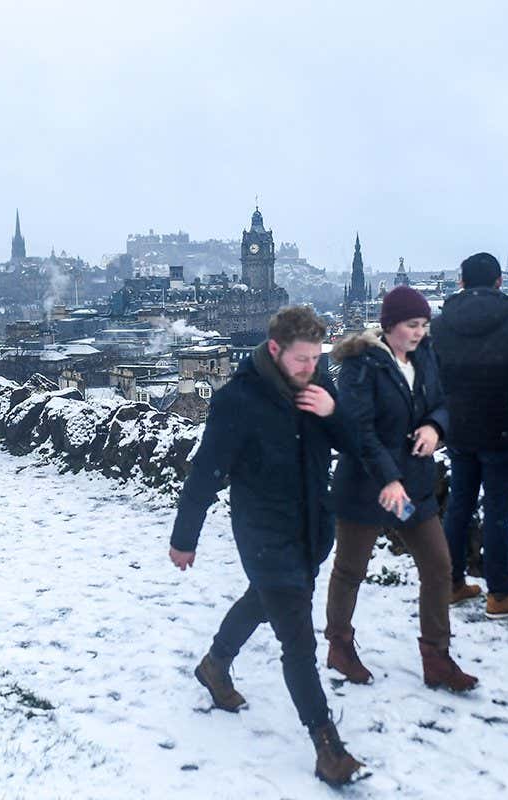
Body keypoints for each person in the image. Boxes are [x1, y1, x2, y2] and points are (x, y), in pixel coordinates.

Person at [168, 306, 366, 787]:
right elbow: (208, 469)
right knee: (297, 639)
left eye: (317, 358)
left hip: (311, 529)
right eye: (302, 358)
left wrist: (333, 413)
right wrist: (184, 537)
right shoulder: (239, 400)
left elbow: (350, 440)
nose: (310, 367)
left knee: (264, 600)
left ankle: (214, 665)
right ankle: (327, 747)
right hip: (263, 533)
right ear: (274, 350)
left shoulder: (318, 383)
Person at [325, 285, 478, 692]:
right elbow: (359, 429)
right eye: (412, 325)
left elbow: (442, 401)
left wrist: (434, 426)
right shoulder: (362, 364)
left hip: (414, 488)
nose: (419, 332)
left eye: (424, 325)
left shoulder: (426, 355)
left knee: (438, 565)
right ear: (389, 325)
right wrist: (387, 477)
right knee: (350, 569)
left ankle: (437, 657)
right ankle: (338, 645)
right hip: (368, 487)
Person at [432, 252, 508, 619]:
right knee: (497, 511)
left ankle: (451, 583)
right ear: (499, 282)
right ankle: (499, 593)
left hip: (459, 428)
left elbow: (435, 377)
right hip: (504, 427)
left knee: (459, 507)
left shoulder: (441, 324)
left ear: (461, 282)